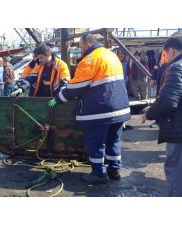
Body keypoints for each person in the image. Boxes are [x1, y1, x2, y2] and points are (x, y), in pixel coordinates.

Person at [48, 34, 131, 184]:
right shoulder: (111, 55)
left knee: (96, 143)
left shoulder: (90, 60)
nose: (80, 50)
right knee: (114, 141)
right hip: (120, 108)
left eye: (80, 46)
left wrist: (57, 99)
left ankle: (98, 174)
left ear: (87, 44)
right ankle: (114, 170)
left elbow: (76, 87)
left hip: (100, 111)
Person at [142, 36, 182, 196]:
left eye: (164, 54)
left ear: (171, 51)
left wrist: (149, 113)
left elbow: (167, 101)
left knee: (176, 176)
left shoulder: (176, 68)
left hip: (179, 132)